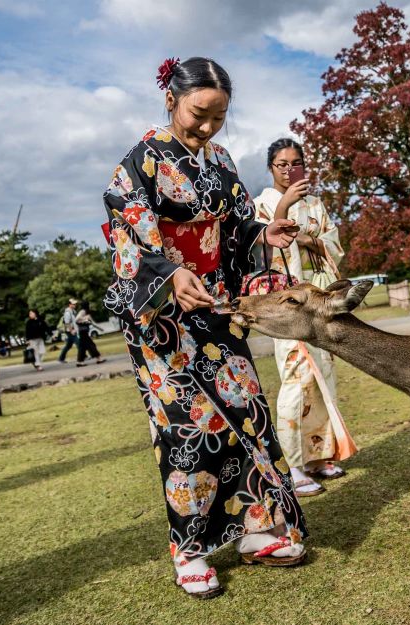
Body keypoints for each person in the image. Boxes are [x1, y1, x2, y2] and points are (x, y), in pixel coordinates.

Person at [101, 56, 305, 599]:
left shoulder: (219, 159)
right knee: (187, 427)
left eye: (218, 117)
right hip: (163, 315)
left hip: (213, 302)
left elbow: (236, 225)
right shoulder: (141, 160)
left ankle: (257, 529)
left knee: (247, 410)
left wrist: (266, 232)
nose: (208, 127)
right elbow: (126, 229)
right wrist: (169, 270)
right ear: (171, 99)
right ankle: (189, 551)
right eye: (199, 114)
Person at [252, 138, 356, 497]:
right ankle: (291, 465)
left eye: (295, 163)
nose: (288, 169)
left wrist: (312, 239)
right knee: (296, 378)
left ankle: (318, 455)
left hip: (319, 303)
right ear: (271, 167)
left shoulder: (316, 204)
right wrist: (285, 207)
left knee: (324, 374)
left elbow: (332, 242)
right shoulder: (262, 203)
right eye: (281, 164)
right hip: (288, 308)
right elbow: (263, 248)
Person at [74, 302, 105, 367]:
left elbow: (93, 323)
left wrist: (101, 329)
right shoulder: (83, 311)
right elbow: (77, 319)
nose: (90, 306)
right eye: (89, 305)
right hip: (83, 332)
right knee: (91, 345)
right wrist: (86, 320)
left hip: (83, 332)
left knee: (82, 348)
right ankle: (98, 359)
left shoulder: (86, 313)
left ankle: (80, 362)